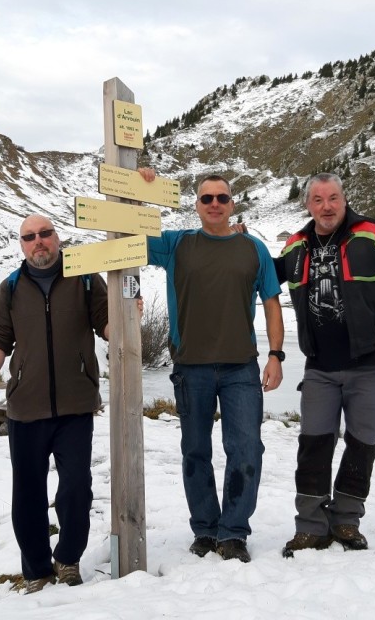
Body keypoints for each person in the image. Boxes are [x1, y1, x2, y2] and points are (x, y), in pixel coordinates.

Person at [276, 172, 375, 557]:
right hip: (319, 367)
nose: (326, 206)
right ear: (308, 205)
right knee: (313, 444)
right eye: (317, 200)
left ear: (344, 200)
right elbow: (259, 276)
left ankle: (347, 521)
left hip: (369, 365)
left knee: (361, 445)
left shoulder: (372, 233)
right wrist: (238, 239)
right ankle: (310, 526)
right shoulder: (295, 246)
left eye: (333, 198)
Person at [140, 169, 285, 564]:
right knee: (195, 451)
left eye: (222, 198)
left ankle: (233, 533)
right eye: (207, 199)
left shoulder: (253, 250)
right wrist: (139, 187)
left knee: (247, 450)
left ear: (232, 203)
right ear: (197, 205)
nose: (215, 204)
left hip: (242, 368)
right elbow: (128, 233)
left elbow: (272, 304)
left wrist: (276, 354)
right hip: (191, 368)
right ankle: (205, 529)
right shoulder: (177, 244)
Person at [0, 214, 109, 593]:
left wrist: (124, 322)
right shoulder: (11, 288)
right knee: (28, 491)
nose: (39, 242)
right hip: (25, 405)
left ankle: (67, 558)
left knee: (76, 487)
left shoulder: (85, 279)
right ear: (22, 244)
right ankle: (36, 570)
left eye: (45, 234)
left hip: (76, 403)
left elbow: (105, 320)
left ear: (57, 237)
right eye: (30, 237)